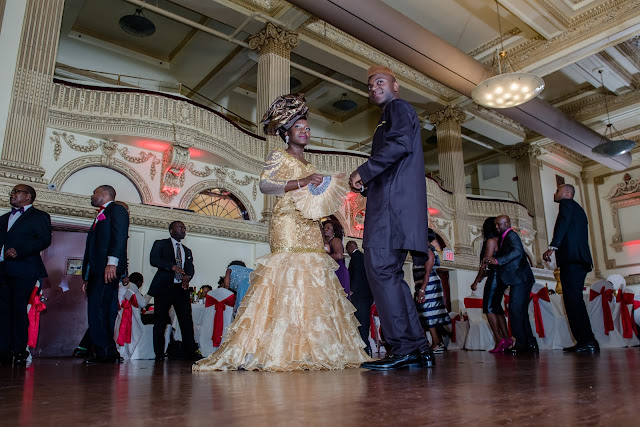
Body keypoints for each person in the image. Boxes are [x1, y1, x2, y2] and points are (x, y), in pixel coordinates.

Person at [194, 93, 368, 372]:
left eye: (308, 128)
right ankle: (277, 347)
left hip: (309, 223)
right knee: (286, 274)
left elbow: (311, 195)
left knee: (313, 277)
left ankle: (315, 347)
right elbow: (265, 186)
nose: (305, 132)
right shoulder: (278, 156)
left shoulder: (310, 164)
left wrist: (316, 187)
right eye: (299, 128)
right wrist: (301, 181)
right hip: (286, 222)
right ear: (286, 133)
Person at [349, 65, 433, 370]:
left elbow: (398, 145)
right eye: (370, 85)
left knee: (381, 272)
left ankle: (402, 348)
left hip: (390, 208)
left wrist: (364, 171)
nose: (373, 88)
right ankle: (417, 347)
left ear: (396, 86)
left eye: (380, 82)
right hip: (396, 205)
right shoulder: (394, 113)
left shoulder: (398, 107)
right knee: (392, 276)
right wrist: (370, 183)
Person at [0, 185, 52, 366]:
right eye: (12, 192)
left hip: (24, 269)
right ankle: (3, 350)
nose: (12, 194)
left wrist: (19, 250)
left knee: (18, 309)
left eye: (16, 192)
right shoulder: (4, 218)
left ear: (28, 197)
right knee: (3, 311)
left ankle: (19, 349)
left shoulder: (40, 216)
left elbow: (44, 240)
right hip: (3, 270)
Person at [543, 184, 598, 353]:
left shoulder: (566, 204)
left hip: (572, 259)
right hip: (579, 259)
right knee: (575, 300)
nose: (555, 192)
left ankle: (587, 340)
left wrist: (553, 247)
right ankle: (585, 340)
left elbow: (563, 225)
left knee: (572, 301)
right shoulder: (578, 209)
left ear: (567, 193)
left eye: (557, 190)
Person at [81, 185, 129, 364]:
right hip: (96, 271)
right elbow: (92, 248)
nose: (92, 195)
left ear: (105, 194)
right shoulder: (101, 214)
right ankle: (108, 351)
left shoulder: (117, 210)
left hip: (106, 269)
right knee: (103, 310)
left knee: (99, 310)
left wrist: (112, 263)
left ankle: (103, 352)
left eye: (94, 192)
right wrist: (86, 275)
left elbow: (119, 237)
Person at [148, 221, 202, 361]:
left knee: (186, 321)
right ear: (171, 230)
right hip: (164, 288)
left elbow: (190, 268)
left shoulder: (187, 250)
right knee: (160, 321)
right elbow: (154, 260)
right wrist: (172, 266)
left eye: (184, 228)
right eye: (180, 227)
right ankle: (159, 354)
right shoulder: (160, 244)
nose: (183, 230)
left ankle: (190, 352)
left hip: (181, 289)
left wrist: (187, 277)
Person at [484, 215, 537, 354]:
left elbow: (518, 252)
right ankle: (529, 342)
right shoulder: (505, 238)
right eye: (495, 225)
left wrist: (497, 261)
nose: (496, 227)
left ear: (507, 223)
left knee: (515, 311)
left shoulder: (511, 235)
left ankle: (521, 344)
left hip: (521, 278)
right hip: (518, 279)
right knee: (520, 312)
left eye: (499, 224)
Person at [471, 217, 510, 353]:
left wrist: (476, 280)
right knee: (497, 308)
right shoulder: (501, 241)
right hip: (501, 278)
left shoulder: (491, 241)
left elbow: (485, 262)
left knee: (488, 308)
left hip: (494, 277)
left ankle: (499, 339)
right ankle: (507, 338)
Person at [413, 228, 451, 354]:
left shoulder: (429, 251)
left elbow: (428, 273)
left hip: (429, 285)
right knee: (424, 313)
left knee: (429, 313)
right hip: (423, 285)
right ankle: (433, 342)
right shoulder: (422, 252)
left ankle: (437, 342)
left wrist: (422, 290)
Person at [346, 241, 373, 357]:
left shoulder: (356, 257)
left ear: (350, 247)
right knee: (364, 322)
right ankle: (366, 348)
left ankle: (365, 349)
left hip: (360, 295)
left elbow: (357, 273)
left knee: (361, 322)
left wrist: (352, 290)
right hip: (366, 295)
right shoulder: (363, 257)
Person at [323, 220, 351, 299]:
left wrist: (323, 258)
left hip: (338, 271)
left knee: (338, 297)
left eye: (328, 228)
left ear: (334, 230)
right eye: (324, 228)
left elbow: (339, 256)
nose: (325, 229)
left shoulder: (335, 240)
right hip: (331, 270)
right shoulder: (325, 241)